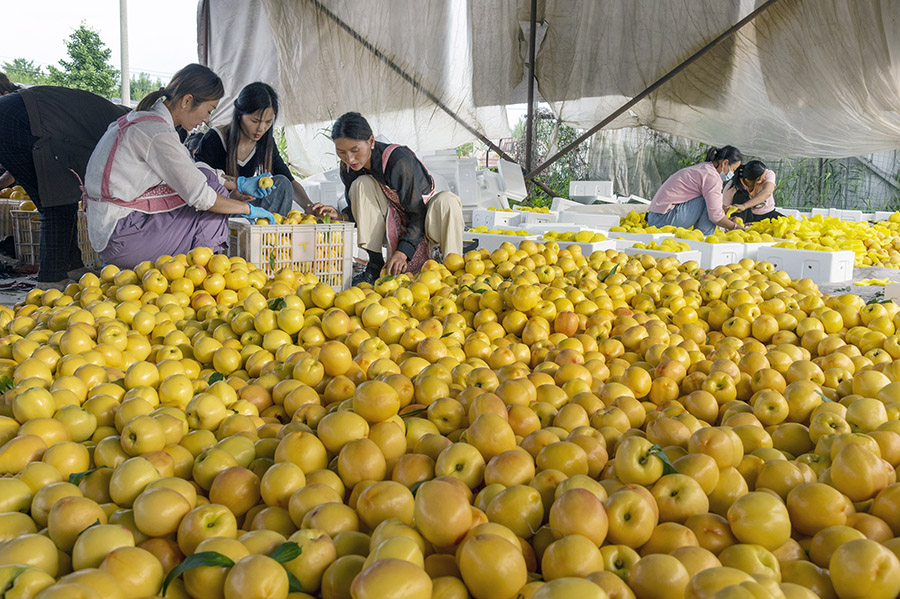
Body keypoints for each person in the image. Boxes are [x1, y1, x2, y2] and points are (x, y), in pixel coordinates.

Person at [83, 64, 275, 269]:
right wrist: (248, 209)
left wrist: (239, 183)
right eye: (208, 110)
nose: (206, 119)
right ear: (187, 101)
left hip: (113, 229)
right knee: (213, 196)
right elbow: (201, 196)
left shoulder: (144, 122)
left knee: (209, 180)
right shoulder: (157, 134)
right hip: (123, 237)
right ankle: (205, 273)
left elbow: (193, 170)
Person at [0, 76, 130, 288]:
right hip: (22, 121)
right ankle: (51, 280)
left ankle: (73, 266)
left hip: (20, 122)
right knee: (57, 202)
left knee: (60, 197)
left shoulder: (110, 116)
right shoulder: (130, 126)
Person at [312, 112, 464, 285]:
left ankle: (453, 271)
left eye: (355, 150)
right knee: (361, 184)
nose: (350, 159)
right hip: (391, 223)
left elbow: (418, 213)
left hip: (428, 221)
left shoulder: (399, 160)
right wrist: (341, 216)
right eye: (341, 152)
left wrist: (403, 252)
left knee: (447, 201)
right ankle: (375, 265)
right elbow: (361, 211)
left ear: (370, 141)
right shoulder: (349, 168)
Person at [193, 82, 312, 216]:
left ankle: (273, 234)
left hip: (247, 207)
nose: (261, 129)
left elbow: (288, 179)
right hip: (219, 207)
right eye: (255, 121)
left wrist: (309, 206)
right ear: (239, 115)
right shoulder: (215, 138)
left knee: (282, 184)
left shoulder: (265, 141)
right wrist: (232, 195)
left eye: (268, 122)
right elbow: (200, 180)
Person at [647, 146, 745, 234]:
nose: (732, 173)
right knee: (707, 202)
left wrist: (726, 220)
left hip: (655, 217)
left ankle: (700, 237)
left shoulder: (704, 168)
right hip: (663, 220)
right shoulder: (712, 177)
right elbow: (715, 216)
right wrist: (734, 226)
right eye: (733, 169)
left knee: (710, 203)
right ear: (725, 163)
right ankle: (704, 238)